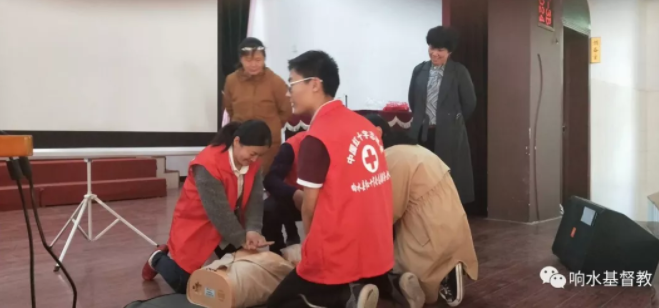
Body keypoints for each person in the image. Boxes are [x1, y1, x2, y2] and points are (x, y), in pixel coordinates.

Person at [266, 51, 424, 308]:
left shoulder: (317, 138)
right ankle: (389, 288)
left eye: (292, 84)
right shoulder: (364, 126)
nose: (288, 93)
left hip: (337, 251)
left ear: (314, 84)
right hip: (378, 246)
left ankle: (348, 298)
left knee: (280, 302)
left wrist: (308, 251)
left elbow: (309, 207)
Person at [141, 120, 272, 294]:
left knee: (245, 270)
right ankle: (157, 258)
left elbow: (255, 200)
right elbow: (219, 214)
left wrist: (253, 230)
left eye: (259, 155)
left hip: (228, 225)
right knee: (185, 285)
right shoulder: (207, 164)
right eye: (253, 153)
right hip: (196, 223)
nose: (255, 160)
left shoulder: (253, 165)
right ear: (237, 142)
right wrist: (242, 239)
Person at [365, 114, 479, 307]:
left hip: (427, 236)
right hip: (456, 230)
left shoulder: (390, 157)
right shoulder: (417, 151)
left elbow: (388, 212)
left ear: (377, 133)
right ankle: (447, 271)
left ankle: (416, 283)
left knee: (388, 266)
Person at [407, 25, 477, 204]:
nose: (435, 53)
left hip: (449, 134)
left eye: (440, 50)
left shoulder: (459, 72)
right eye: (432, 47)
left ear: (449, 51)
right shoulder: (419, 70)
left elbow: (469, 103)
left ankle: (446, 217)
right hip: (422, 133)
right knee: (421, 180)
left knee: (447, 179)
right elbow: (413, 100)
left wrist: (453, 121)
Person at [223, 37, 292, 173]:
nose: (253, 64)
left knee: (261, 180)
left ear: (264, 60)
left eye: (258, 60)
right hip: (241, 143)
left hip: (267, 144)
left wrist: (273, 127)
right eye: (248, 60)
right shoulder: (231, 81)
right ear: (241, 59)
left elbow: (286, 110)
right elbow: (229, 109)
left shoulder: (275, 82)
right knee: (240, 178)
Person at [261, 131, 308, 254]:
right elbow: (270, 179)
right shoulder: (291, 147)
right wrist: (294, 193)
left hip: (326, 201)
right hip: (296, 200)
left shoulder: (340, 146)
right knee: (269, 209)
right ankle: (277, 251)